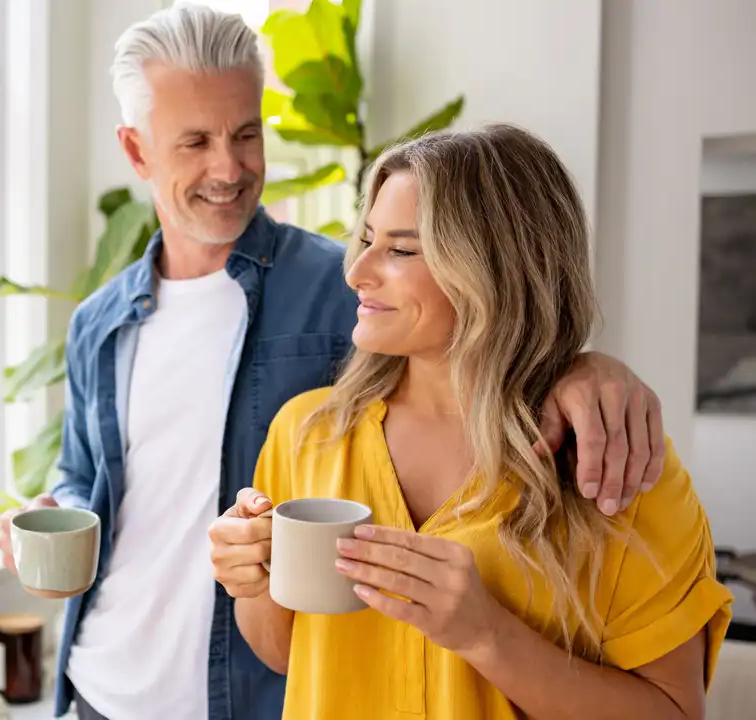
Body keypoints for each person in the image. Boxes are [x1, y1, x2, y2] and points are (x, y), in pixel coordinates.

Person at [0, 6, 667, 720]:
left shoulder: (347, 290)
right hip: (103, 687)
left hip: (252, 697)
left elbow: (482, 341)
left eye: (246, 134)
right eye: (194, 142)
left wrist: (583, 367)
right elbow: (85, 472)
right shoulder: (99, 322)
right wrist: (59, 509)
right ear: (137, 152)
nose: (228, 167)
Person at [209, 124, 735, 719]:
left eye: (402, 250)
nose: (357, 272)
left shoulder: (615, 466)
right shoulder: (308, 435)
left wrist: (489, 635)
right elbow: (284, 652)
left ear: (497, 268)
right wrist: (251, 579)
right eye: (367, 239)